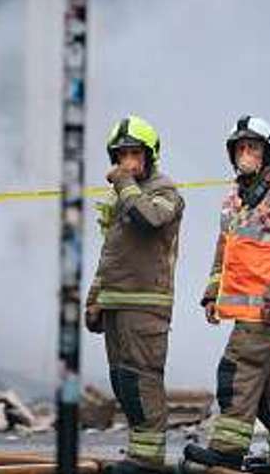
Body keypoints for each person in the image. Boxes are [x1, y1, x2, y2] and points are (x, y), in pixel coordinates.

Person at [184, 116, 270, 474]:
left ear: (268, 152)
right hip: (247, 308)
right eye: (240, 148)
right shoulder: (235, 198)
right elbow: (225, 249)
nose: (245, 154)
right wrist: (213, 294)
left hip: (269, 308)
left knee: (235, 371)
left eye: (252, 147)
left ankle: (227, 450)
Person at [86, 116, 185, 474]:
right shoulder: (121, 196)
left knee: (143, 380)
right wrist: (95, 298)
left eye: (134, 154)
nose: (127, 162)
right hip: (116, 303)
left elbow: (150, 219)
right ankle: (139, 454)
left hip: (146, 306)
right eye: (121, 155)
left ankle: (149, 460)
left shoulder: (164, 191)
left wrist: (125, 183)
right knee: (123, 382)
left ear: (150, 154)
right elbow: (110, 252)